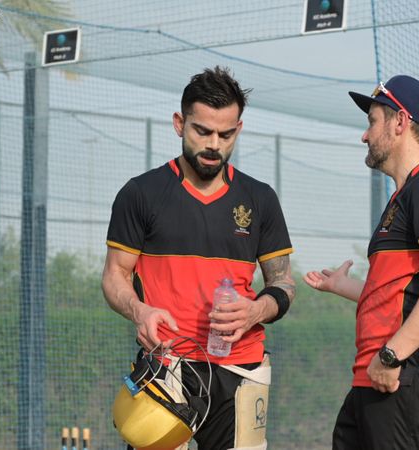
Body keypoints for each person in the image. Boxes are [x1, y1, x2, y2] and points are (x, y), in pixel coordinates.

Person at [102, 66, 295, 450]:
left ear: (237, 131)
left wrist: (255, 311)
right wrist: (141, 312)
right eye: (202, 131)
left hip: (242, 368)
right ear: (179, 124)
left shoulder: (260, 199)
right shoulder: (140, 194)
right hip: (166, 367)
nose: (213, 144)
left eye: (225, 134)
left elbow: (283, 282)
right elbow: (114, 277)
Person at [304, 75, 419, 450]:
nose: (365, 135)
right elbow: (403, 290)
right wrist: (344, 287)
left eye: (372, 121)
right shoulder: (408, 193)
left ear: (400, 122)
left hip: (404, 379)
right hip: (378, 379)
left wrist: (392, 354)